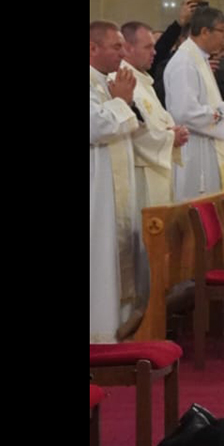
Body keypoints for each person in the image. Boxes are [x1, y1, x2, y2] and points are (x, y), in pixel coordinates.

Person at [90, 21, 143, 343]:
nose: (123, 54)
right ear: (92, 48)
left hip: (112, 190)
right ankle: (98, 335)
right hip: (96, 193)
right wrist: (122, 100)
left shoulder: (104, 83)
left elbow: (127, 124)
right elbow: (96, 126)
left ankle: (116, 330)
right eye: (116, 47)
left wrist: (124, 101)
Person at [163, 6, 224, 199]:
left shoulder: (199, 59)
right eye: (222, 31)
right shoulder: (184, 62)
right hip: (194, 154)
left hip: (205, 149)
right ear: (205, 31)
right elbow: (184, 112)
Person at [116, 21, 191, 208]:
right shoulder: (120, 80)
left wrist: (174, 130)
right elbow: (130, 129)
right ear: (128, 48)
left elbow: (159, 117)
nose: (154, 52)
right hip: (139, 174)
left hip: (156, 169)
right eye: (148, 47)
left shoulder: (142, 80)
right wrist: (170, 138)